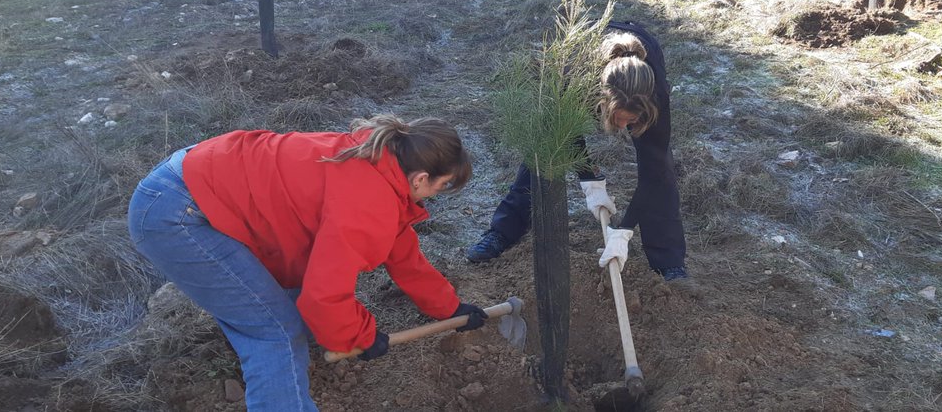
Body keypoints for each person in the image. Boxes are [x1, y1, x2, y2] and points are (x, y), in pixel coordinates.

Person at [128, 115, 490, 411]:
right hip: (177, 213)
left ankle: (300, 360)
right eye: (441, 187)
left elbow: (403, 253)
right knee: (274, 331)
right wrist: (360, 337)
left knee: (294, 302)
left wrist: (450, 308)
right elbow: (323, 296)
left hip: (197, 181)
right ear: (421, 177)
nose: (436, 197)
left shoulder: (380, 162)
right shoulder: (368, 200)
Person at [466, 21, 688, 280]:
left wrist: (623, 231)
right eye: (618, 118)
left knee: (661, 168)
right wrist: (590, 180)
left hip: (640, 61)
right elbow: (565, 135)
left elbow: (654, 170)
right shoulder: (576, 75)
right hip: (587, 64)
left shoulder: (654, 94)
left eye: (630, 121)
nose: (623, 127)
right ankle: (503, 230)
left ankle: (668, 259)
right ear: (602, 101)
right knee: (547, 146)